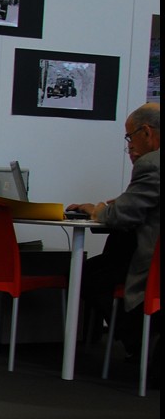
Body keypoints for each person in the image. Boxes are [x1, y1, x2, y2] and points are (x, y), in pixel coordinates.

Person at [69, 103, 160, 359]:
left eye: (130, 137)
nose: (129, 145)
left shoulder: (151, 164)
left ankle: (140, 345)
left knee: (90, 276)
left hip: (152, 265)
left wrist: (95, 209)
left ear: (146, 132)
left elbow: (122, 215)